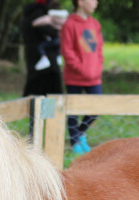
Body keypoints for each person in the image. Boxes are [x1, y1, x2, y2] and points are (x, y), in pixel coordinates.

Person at [60, 0, 103, 154]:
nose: (95, 3)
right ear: (80, 2)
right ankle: (75, 142)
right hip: (75, 77)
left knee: (97, 106)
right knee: (73, 110)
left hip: (94, 77)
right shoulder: (69, 25)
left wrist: (97, 68)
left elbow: (99, 50)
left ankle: (80, 132)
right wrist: (82, 69)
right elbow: (68, 52)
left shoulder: (95, 24)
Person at [22, 0, 65, 99]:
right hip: (46, 60)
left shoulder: (31, 13)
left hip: (37, 57)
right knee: (48, 94)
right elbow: (45, 29)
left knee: (36, 92)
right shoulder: (39, 12)